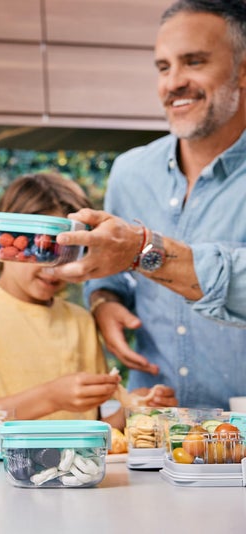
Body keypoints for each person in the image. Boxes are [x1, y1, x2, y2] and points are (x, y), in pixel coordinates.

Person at [50, 0, 246, 410]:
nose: (173, 83)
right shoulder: (130, 172)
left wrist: (144, 249)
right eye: (163, 67)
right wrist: (104, 301)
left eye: (194, 62)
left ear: (242, 70)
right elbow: (114, 275)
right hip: (153, 433)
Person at [0, 173, 166, 427]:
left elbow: (92, 428)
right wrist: (50, 398)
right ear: (8, 240)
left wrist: (134, 411)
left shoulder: (81, 320)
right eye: (43, 250)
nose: (54, 268)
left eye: (70, 253)